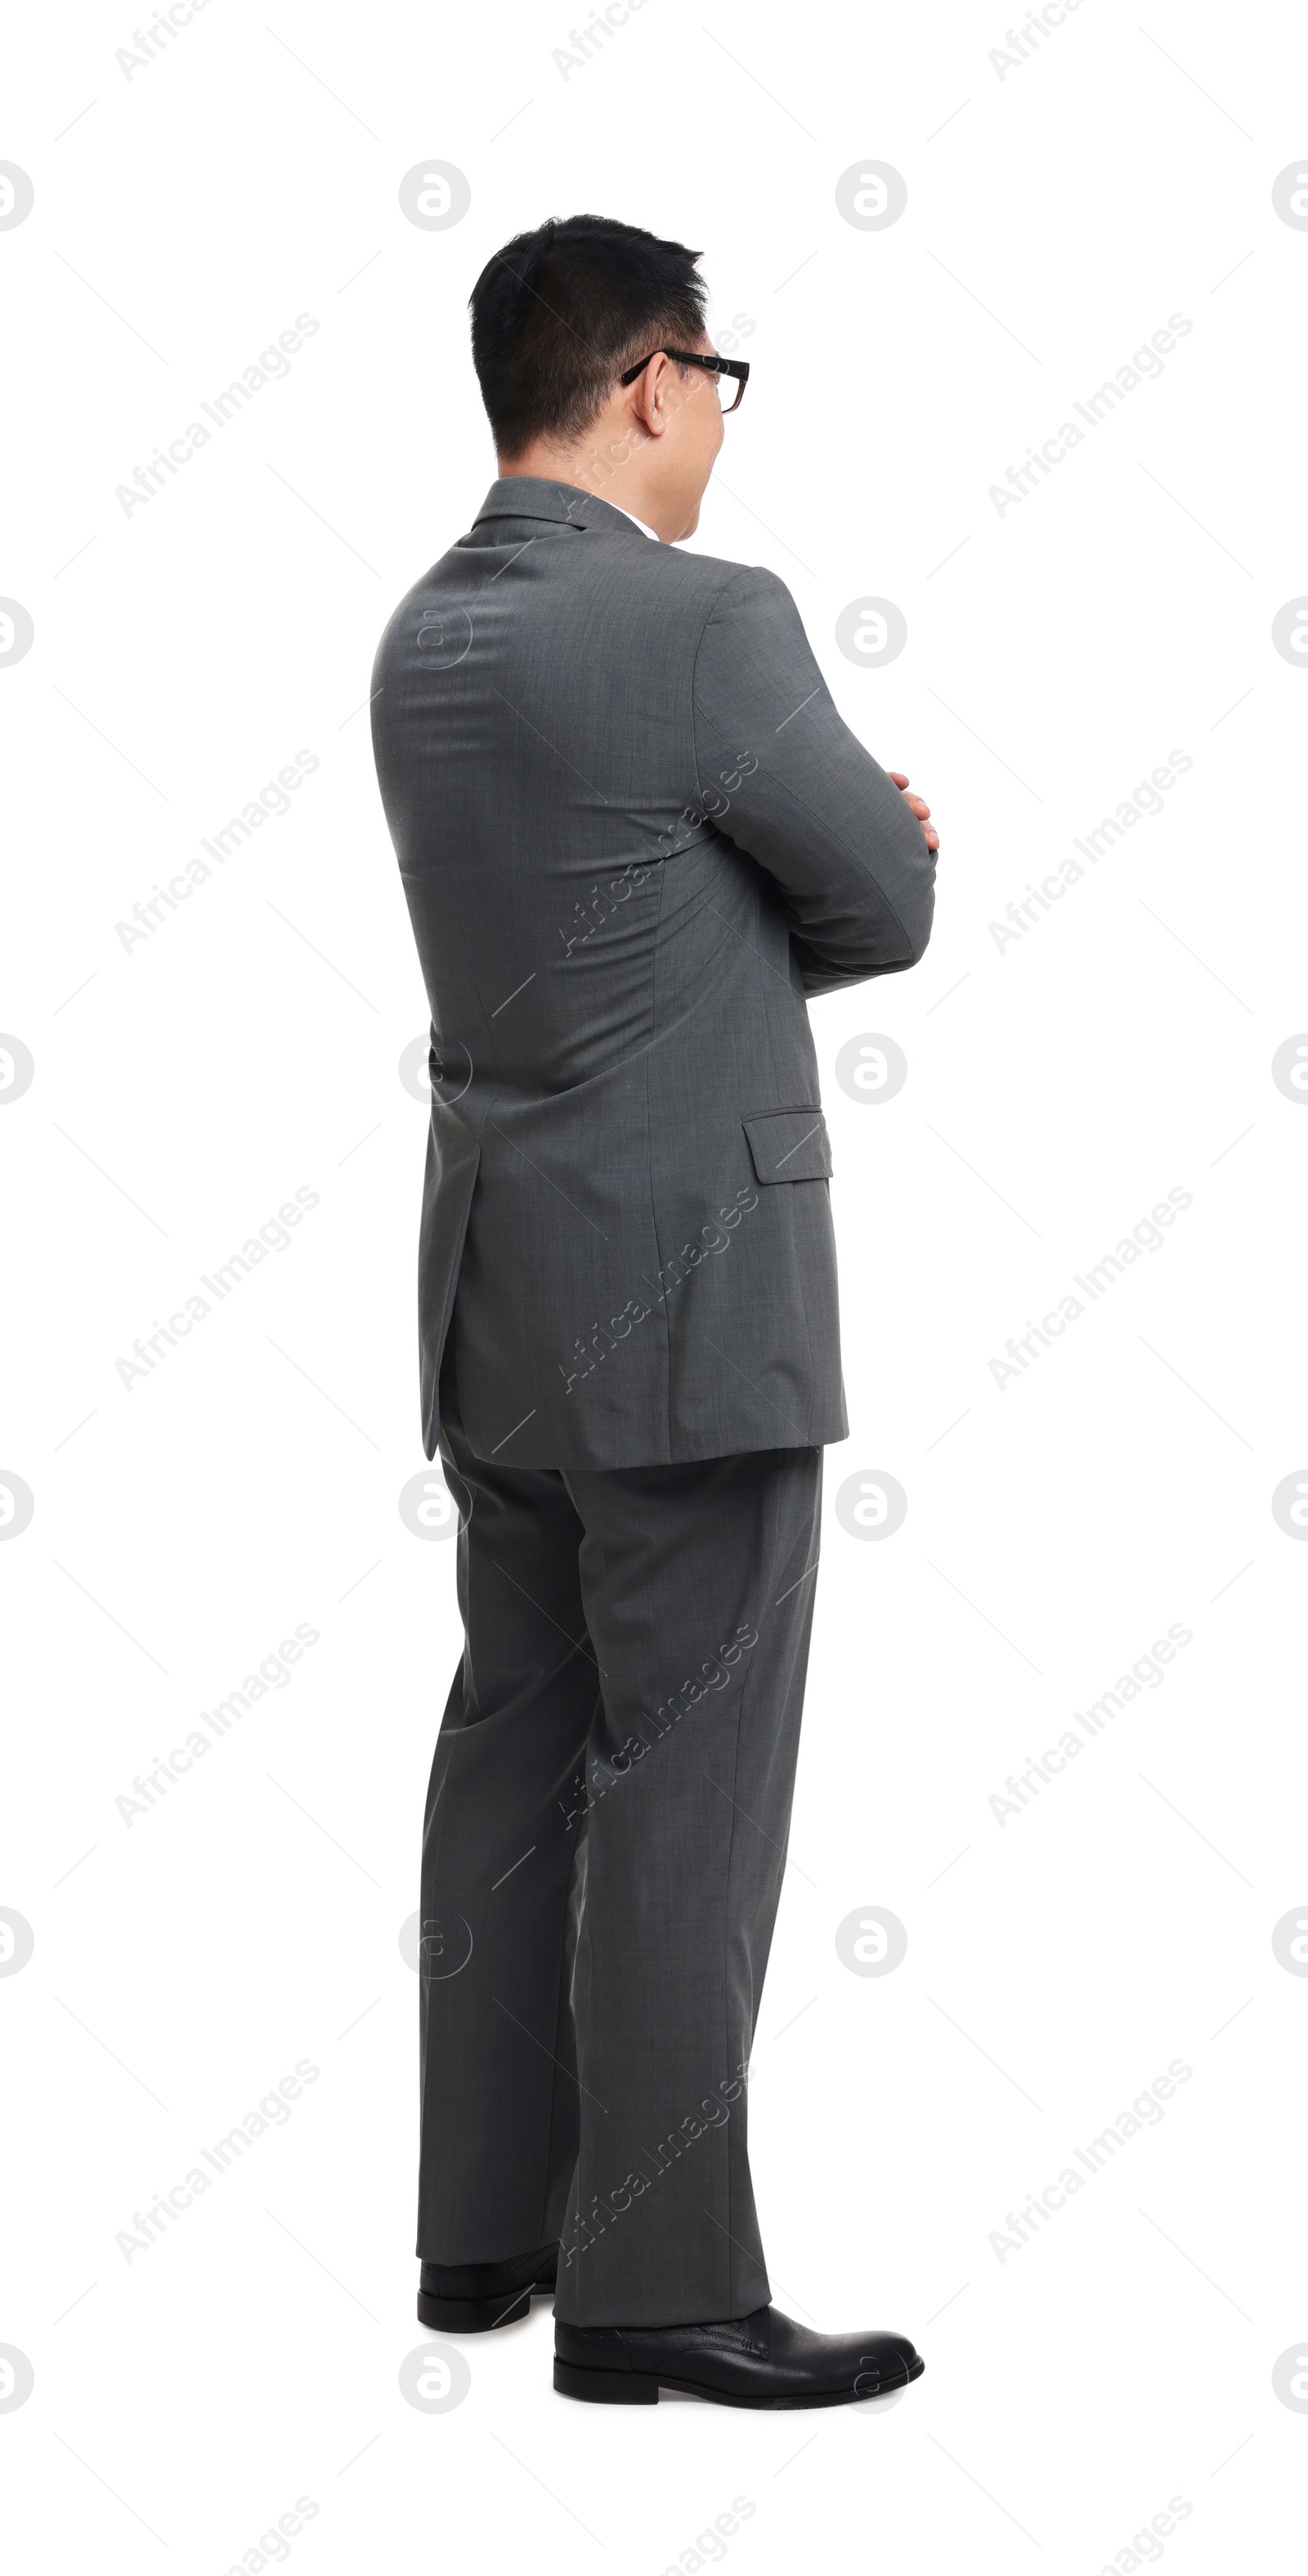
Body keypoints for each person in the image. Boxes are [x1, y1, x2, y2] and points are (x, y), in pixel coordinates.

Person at [370, 213, 939, 2408]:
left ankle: (483, 2240)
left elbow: (602, 932)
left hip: (502, 1302)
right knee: (683, 1794)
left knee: (514, 1760)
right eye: (714, 379)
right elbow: (871, 897)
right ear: (645, 382)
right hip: (692, 1311)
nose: (714, 420)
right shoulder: (709, 626)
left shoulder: (426, 638)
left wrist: (740, 896)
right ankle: (656, 2297)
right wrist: (846, 850)